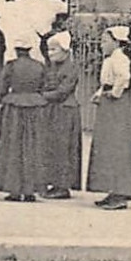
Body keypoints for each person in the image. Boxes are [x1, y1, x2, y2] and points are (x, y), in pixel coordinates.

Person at [86, 24, 131, 209]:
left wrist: (115, 93)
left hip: (116, 107)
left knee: (116, 145)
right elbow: (107, 82)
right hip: (108, 104)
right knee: (107, 146)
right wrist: (99, 94)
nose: (102, 45)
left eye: (105, 41)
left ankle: (120, 193)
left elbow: (124, 78)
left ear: (117, 42)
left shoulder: (120, 58)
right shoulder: (110, 59)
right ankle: (113, 191)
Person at [0, 33, 47, 201]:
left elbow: (2, 88)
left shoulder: (11, 66)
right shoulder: (39, 66)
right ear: (29, 49)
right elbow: (44, 86)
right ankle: (30, 190)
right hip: (34, 107)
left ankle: (13, 188)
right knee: (32, 146)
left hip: (14, 108)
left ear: (16, 49)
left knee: (13, 146)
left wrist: (2, 99)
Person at [39, 29, 81, 198]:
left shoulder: (71, 67)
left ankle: (62, 185)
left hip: (65, 110)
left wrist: (42, 96)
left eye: (54, 50)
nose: (50, 54)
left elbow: (63, 91)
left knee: (63, 148)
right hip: (53, 110)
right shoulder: (53, 67)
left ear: (65, 50)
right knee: (52, 146)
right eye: (49, 50)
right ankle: (53, 182)